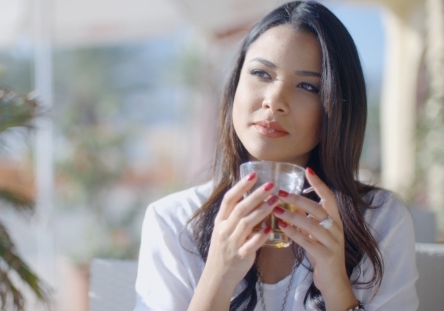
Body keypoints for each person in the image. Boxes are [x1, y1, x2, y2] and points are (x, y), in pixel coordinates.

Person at [134, 1, 419, 310]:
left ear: (335, 108)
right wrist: (218, 275)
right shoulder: (174, 222)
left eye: (308, 86)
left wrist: (337, 286)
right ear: (234, 87)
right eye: (261, 73)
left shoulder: (379, 221)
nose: (275, 101)